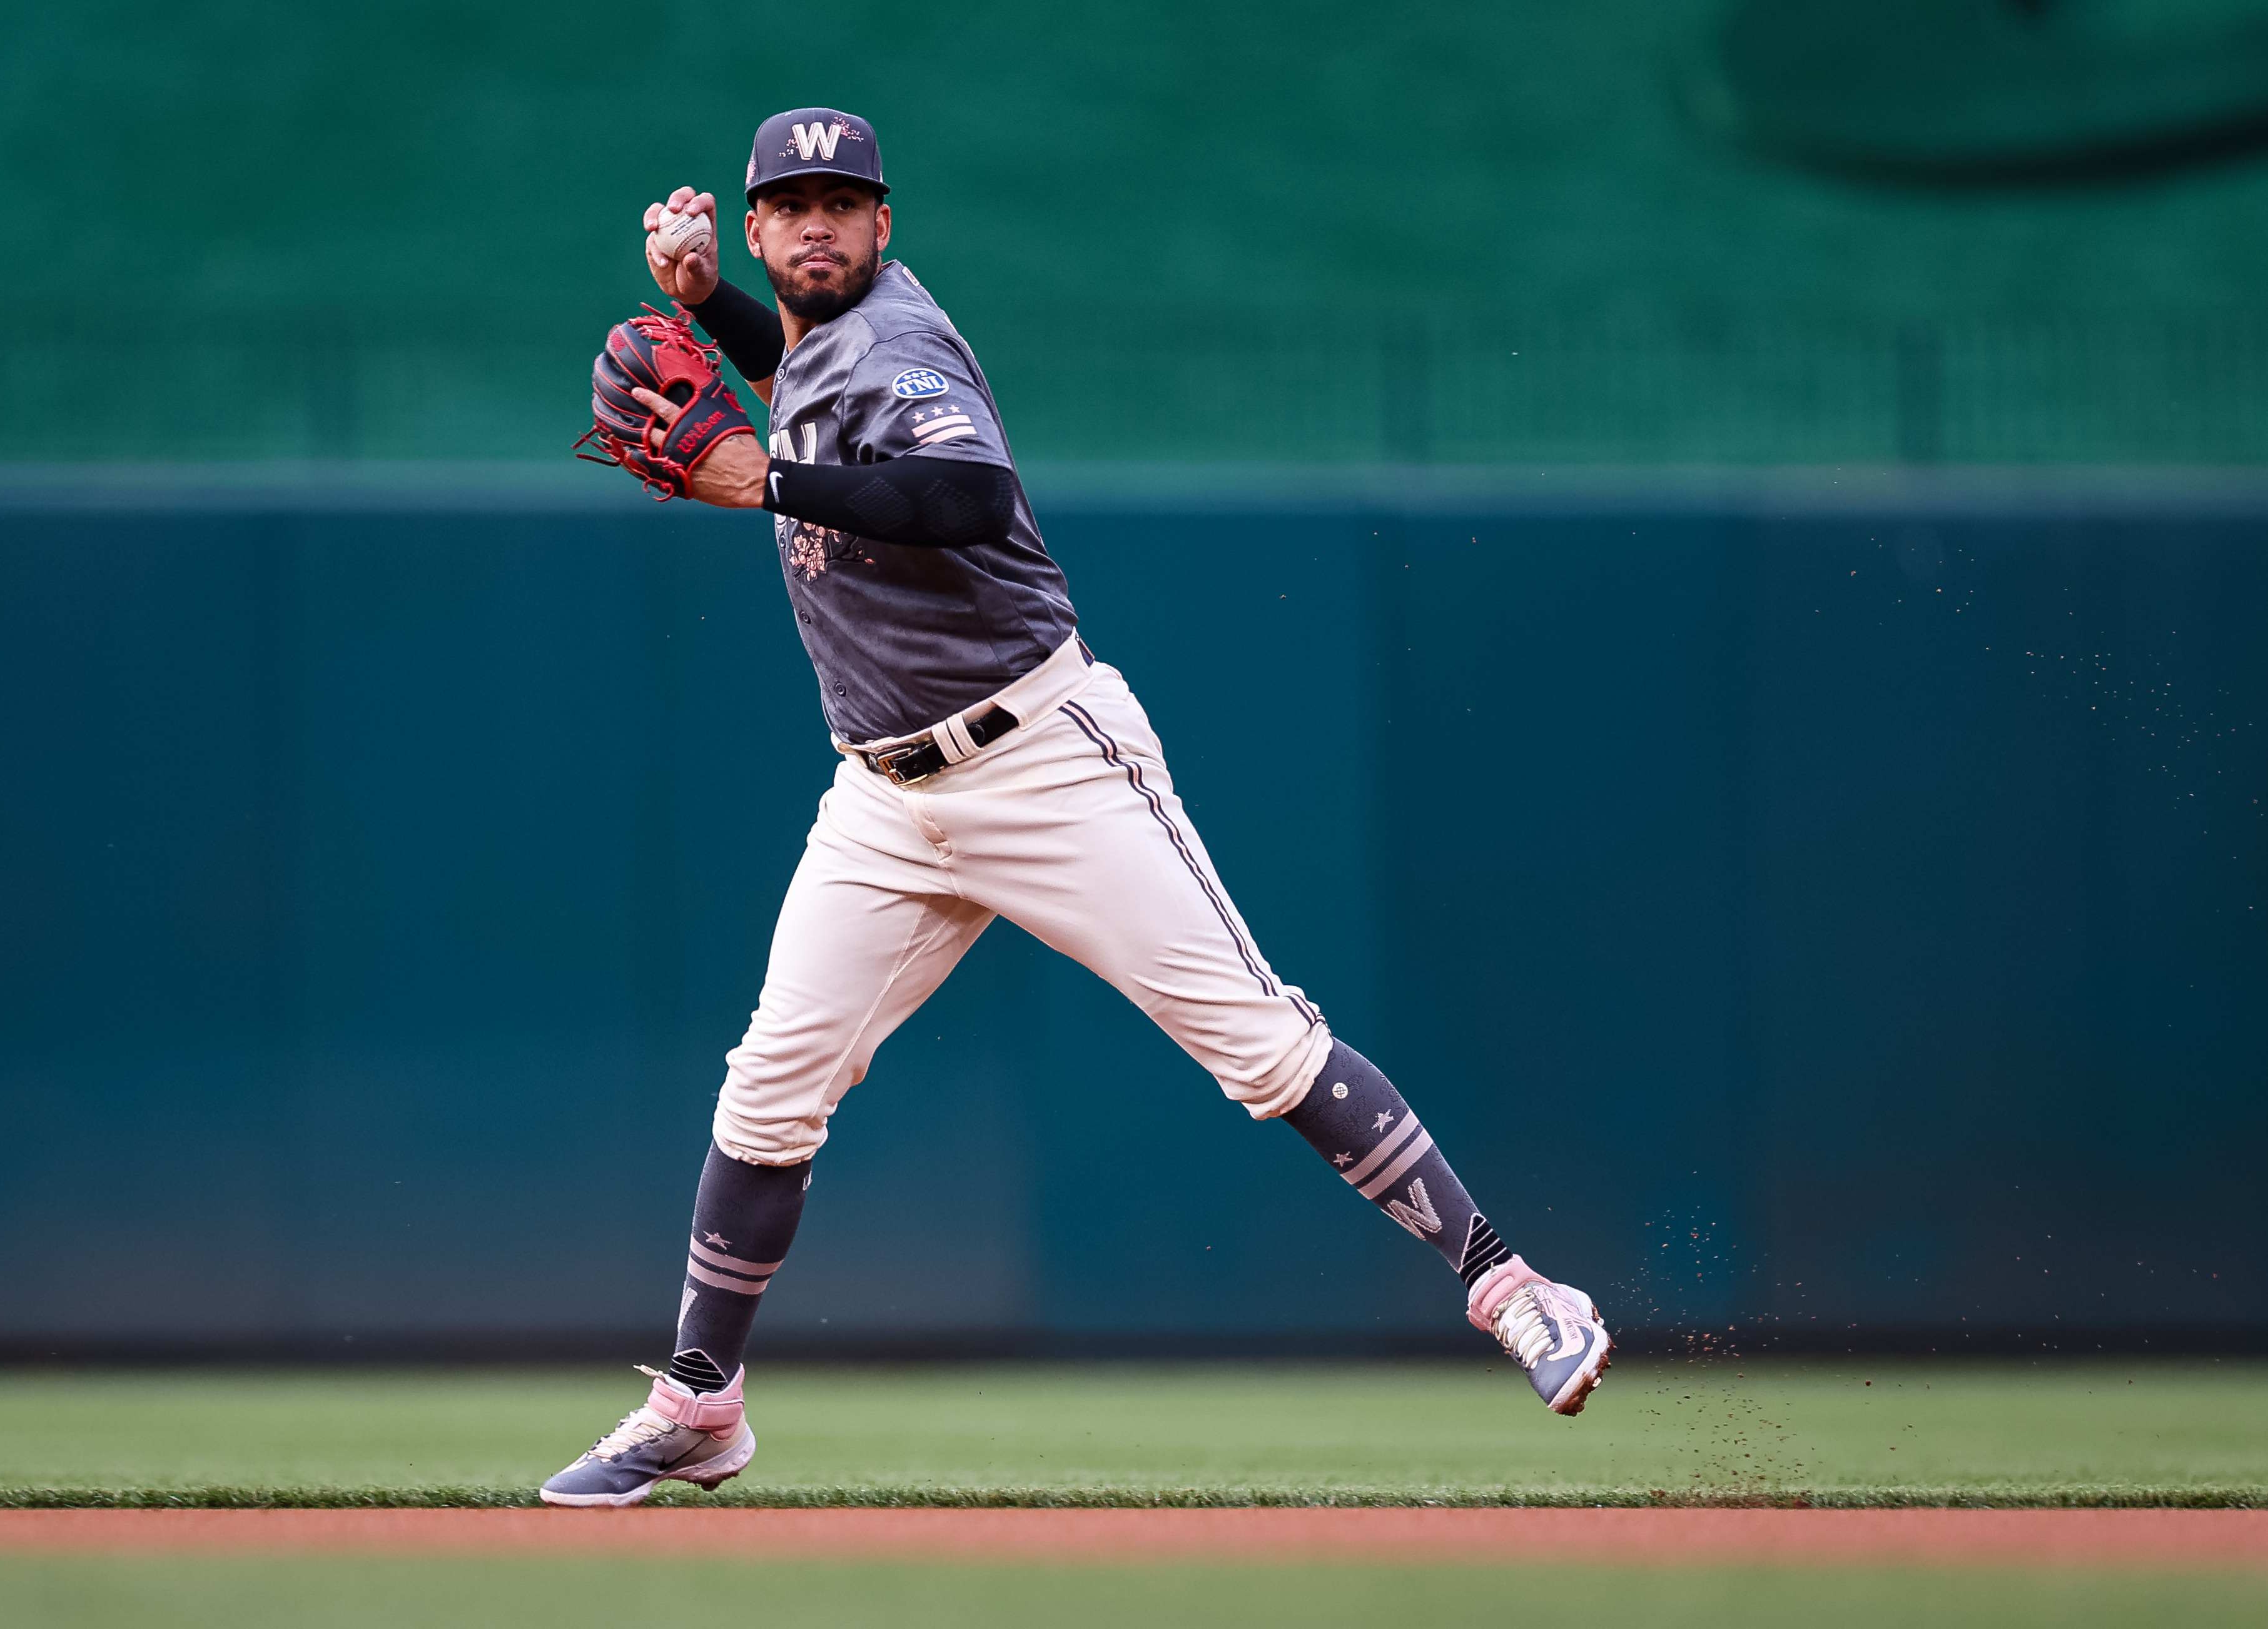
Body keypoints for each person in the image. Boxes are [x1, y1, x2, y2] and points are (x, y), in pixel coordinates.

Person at [539, 108, 1612, 1508]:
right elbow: (797, 364)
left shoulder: (901, 340)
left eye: (841, 202)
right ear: (756, 225)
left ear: (882, 222)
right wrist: (709, 309)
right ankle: (699, 1403)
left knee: (1261, 1047)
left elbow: (966, 494)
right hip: (881, 792)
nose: (816, 224)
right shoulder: (813, 326)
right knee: (769, 1088)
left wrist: (764, 482)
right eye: (787, 203)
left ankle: (1515, 1286)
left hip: (1040, 758)